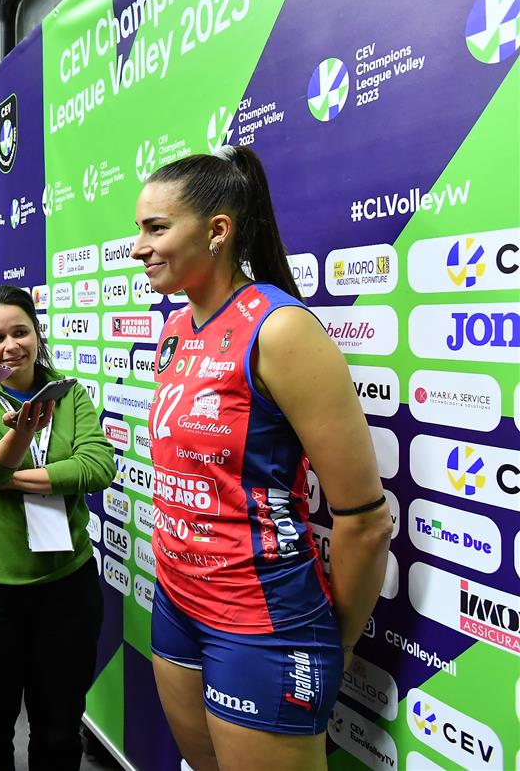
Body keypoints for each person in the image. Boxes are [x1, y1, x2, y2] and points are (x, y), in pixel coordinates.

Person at [131, 145, 392, 771]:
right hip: (175, 600)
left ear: (217, 231)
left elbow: (364, 520)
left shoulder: (280, 329)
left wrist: (334, 645)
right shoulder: (174, 331)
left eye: (156, 228)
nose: (138, 248)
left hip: (263, 622)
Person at [0, 285, 114, 769]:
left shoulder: (70, 393)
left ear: (37, 333)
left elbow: (98, 466)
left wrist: (18, 478)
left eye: (20, 332)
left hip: (66, 586)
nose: (11, 346)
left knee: (59, 730)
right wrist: (22, 435)